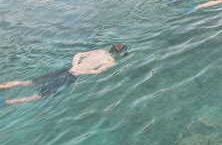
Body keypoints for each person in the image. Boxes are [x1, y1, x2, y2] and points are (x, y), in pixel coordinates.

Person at [0, 44, 128, 105]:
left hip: (67, 69)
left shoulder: (100, 51)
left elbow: (78, 54)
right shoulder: (111, 62)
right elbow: (96, 72)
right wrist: (80, 71)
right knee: (40, 96)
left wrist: (74, 66)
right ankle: (6, 101)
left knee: (29, 82)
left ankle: (2, 86)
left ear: (111, 48)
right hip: (73, 75)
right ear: (119, 53)